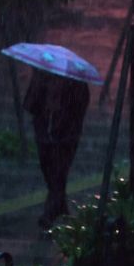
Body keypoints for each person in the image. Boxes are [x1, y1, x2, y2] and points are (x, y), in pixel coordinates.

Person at [23, 69, 91, 229]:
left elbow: (79, 111)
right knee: (51, 173)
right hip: (45, 134)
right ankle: (60, 206)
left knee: (58, 174)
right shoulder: (42, 76)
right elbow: (31, 104)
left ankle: (50, 212)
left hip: (65, 137)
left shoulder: (76, 84)